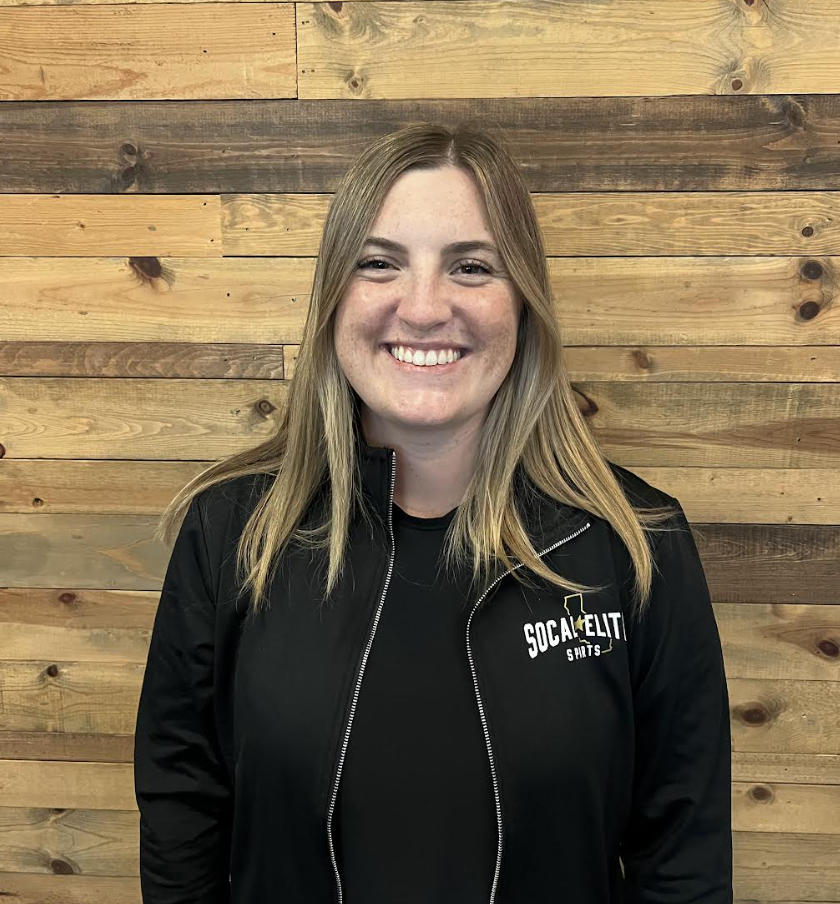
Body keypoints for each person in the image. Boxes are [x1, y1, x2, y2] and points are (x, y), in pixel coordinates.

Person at [133, 121, 733, 903]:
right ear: (332, 300)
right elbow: (182, 828)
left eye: (472, 267)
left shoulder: (631, 545)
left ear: (523, 301)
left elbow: (680, 865)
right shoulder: (229, 537)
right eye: (379, 263)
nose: (423, 309)